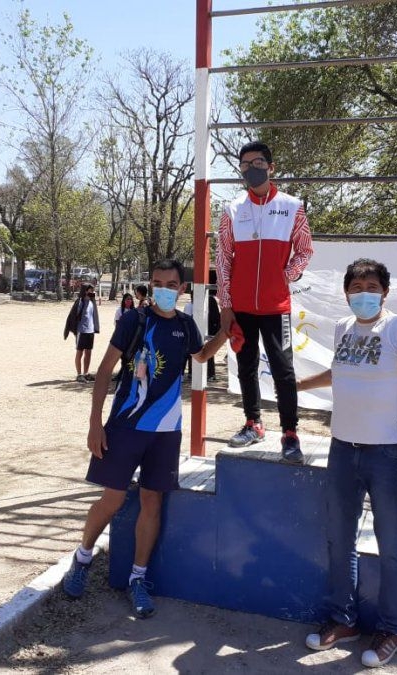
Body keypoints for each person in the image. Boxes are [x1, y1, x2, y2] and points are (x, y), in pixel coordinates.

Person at [61, 259, 228, 619]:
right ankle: (82, 558)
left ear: (182, 289)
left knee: (152, 502)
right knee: (112, 500)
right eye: (157, 283)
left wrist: (225, 333)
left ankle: (138, 578)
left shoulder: (185, 325)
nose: (164, 290)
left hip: (166, 431)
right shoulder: (134, 320)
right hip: (125, 426)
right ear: (151, 285)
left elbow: (200, 356)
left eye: (171, 284)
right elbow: (104, 370)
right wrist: (95, 423)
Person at [298, 258, 397, 669]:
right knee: (340, 540)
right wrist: (296, 384)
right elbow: (339, 372)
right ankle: (344, 621)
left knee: (391, 546)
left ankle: (391, 629)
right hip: (343, 449)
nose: (363, 294)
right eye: (356, 287)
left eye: (371, 287)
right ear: (346, 293)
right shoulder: (343, 328)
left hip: (389, 455)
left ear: (385, 292)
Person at [216, 140, 313, 463]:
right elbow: (223, 259)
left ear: (271, 167)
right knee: (245, 366)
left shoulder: (292, 206)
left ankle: (290, 433)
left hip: (276, 307)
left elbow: (305, 249)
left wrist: (286, 275)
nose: (251, 169)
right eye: (244, 165)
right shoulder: (232, 209)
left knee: (283, 369)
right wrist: (225, 304)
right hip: (241, 307)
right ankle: (253, 423)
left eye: (257, 163)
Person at [64, 283, 100, 383]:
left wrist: (95, 328)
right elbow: (73, 316)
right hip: (81, 331)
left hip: (90, 331)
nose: (92, 292)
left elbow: (93, 316)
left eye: (93, 290)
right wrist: (74, 330)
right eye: (90, 290)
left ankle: (86, 373)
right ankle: (79, 375)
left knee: (88, 353)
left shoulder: (92, 302)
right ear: (85, 291)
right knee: (80, 352)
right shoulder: (80, 302)